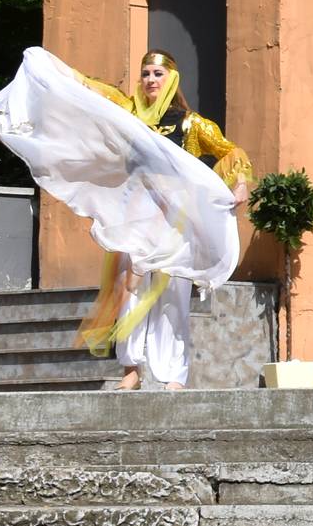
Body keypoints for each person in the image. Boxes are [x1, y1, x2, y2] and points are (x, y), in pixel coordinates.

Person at [75, 51, 253, 391]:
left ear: (171, 78)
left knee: (173, 296)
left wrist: (240, 181)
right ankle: (131, 369)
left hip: (176, 221)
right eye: (145, 73)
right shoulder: (129, 115)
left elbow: (229, 150)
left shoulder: (190, 123)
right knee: (130, 291)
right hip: (136, 216)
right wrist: (64, 77)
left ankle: (175, 375)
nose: (151, 79)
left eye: (157, 73)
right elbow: (100, 94)